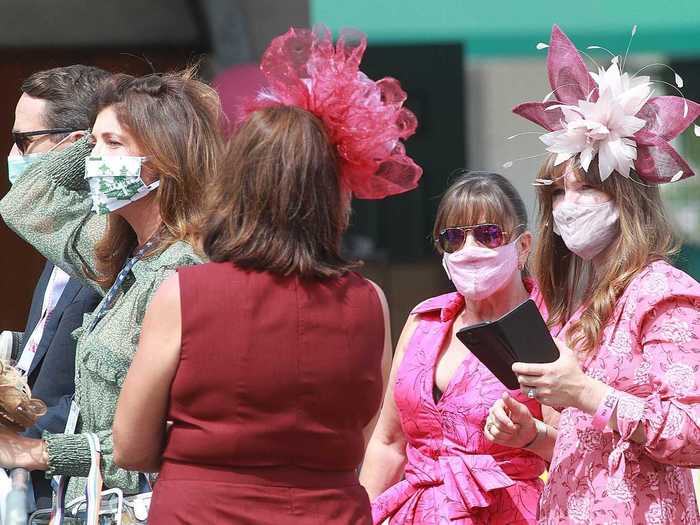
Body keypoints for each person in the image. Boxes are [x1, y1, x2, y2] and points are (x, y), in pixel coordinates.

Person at [112, 26, 421, 524]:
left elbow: (129, 446)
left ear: (238, 188)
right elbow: (365, 436)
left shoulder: (186, 292)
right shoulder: (369, 301)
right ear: (331, 194)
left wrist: (207, 452)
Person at [485, 25, 700, 523]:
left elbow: (692, 432)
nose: (567, 206)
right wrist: (533, 437)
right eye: (556, 193)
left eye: (584, 188)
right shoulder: (587, 302)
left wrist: (584, 391)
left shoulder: (664, 292)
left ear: (625, 198)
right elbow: (591, 444)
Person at [0, 68, 224, 504]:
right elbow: (25, 204)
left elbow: (163, 440)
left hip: (142, 506)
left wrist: (38, 451)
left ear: (165, 158)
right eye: (92, 142)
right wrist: (105, 119)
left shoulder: (178, 273)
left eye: (112, 144)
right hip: (93, 503)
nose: (93, 159)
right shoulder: (123, 256)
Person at [360, 171, 546, 525]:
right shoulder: (424, 322)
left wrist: (531, 436)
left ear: (522, 246)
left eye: (489, 234)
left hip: (508, 514)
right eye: (453, 238)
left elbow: (573, 445)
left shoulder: (549, 326)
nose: (470, 248)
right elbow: (388, 443)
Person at [0, 65, 106, 509]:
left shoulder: (113, 246)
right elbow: (52, 344)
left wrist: (22, 439)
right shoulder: (64, 235)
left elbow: (102, 389)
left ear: (76, 144)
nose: (13, 153)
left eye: (26, 141)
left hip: (70, 480)